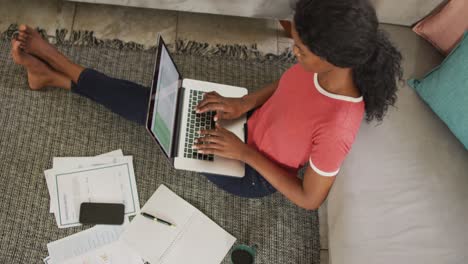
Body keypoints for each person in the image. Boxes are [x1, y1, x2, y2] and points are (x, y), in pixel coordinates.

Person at [11, 0, 401, 210]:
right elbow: (287, 90)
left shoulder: (337, 127)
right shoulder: (320, 69)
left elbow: (308, 199)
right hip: (247, 126)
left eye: (299, 47)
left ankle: (61, 68)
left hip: (252, 174)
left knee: (158, 114)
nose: (292, 50)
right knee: (166, 104)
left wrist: (244, 151)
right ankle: (56, 75)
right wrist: (245, 101)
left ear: (332, 55)